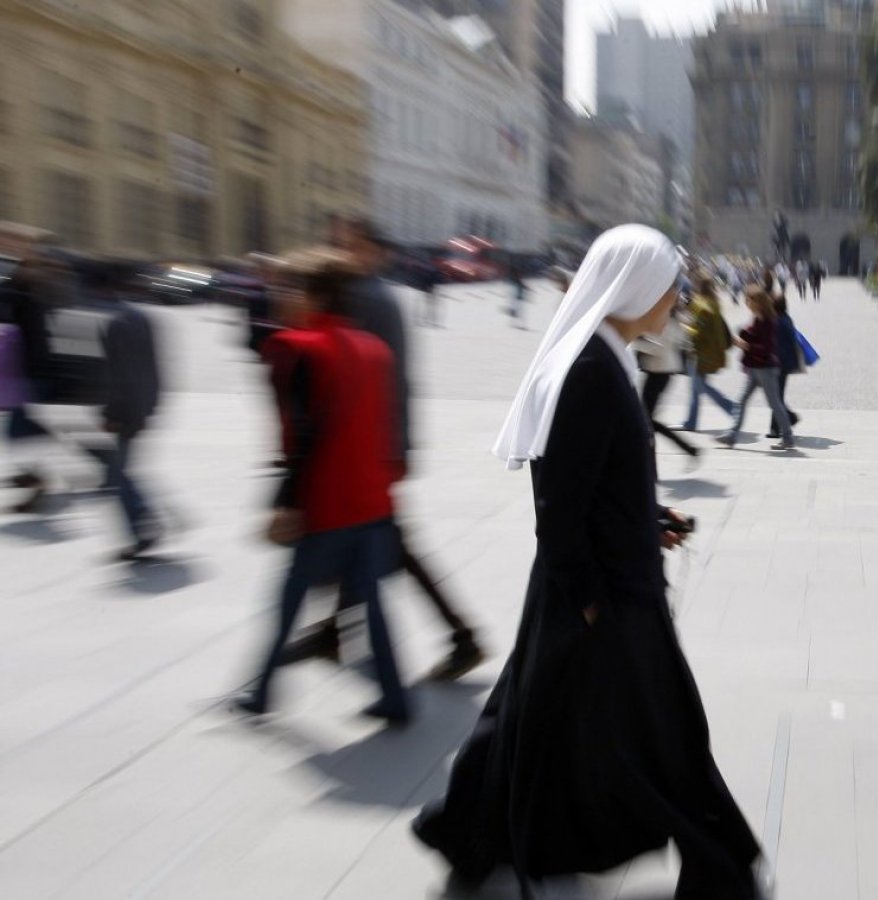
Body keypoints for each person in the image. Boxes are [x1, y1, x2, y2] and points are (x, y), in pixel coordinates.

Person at [412, 225, 766, 899]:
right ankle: (723, 865)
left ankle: (467, 832)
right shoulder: (589, 370)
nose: (677, 302)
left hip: (604, 582)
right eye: (670, 289)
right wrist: (588, 599)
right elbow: (560, 506)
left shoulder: (605, 360)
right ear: (635, 289)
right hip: (606, 594)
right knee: (667, 730)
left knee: (528, 714)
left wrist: (652, 520)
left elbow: (599, 483)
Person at [275, 218, 485, 682]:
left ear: (371, 250)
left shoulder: (367, 299)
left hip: (371, 449)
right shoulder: (369, 295)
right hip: (376, 446)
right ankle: (336, 631)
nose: (340, 250)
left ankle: (462, 636)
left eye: (350, 244)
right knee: (378, 545)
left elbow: (374, 381)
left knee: (390, 547)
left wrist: (389, 448)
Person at [231, 248, 410, 725]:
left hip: (326, 506)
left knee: (289, 601)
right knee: (372, 605)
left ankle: (261, 692)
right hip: (372, 501)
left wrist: (284, 504)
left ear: (313, 294)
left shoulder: (293, 348)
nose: (278, 296)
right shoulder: (375, 348)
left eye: (287, 287)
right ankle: (394, 695)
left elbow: (298, 435)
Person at [94, 262, 164, 560]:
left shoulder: (115, 323)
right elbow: (152, 365)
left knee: (118, 474)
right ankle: (147, 521)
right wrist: (151, 403)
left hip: (125, 409)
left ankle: (144, 526)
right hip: (142, 404)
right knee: (120, 471)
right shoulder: (141, 318)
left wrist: (111, 413)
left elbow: (116, 374)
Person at [0, 223, 61, 513]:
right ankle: (36, 480)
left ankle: (38, 484)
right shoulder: (22, 279)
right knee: (23, 430)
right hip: (24, 368)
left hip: (28, 369)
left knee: (19, 431)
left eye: (12, 242)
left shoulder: (26, 280)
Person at [719, 287, 795, 452]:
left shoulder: (769, 321)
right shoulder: (758, 319)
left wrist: (745, 345)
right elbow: (752, 336)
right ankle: (731, 436)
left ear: (758, 302)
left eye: (749, 299)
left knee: (775, 404)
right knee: (741, 400)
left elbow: (767, 348)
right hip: (754, 367)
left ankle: (788, 437)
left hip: (766, 369)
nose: (746, 302)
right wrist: (740, 336)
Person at [637, 298, 700, 460]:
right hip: (663, 371)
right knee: (647, 420)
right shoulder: (675, 319)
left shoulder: (664, 321)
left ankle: (687, 448)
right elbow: (683, 343)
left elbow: (656, 347)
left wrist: (634, 341)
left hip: (659, 371)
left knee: (647, 420)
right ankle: (686, 449)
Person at [680, 274, 739, 432]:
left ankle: (732, 408)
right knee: (695, 389)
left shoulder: (703, 306)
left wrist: (683, 326)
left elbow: (697, 332)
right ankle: (691, 422)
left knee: (699, 386)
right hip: (708, 352)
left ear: (698, 286)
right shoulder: (713, 303)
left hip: (699, 352)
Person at [768, 296, 803, 440]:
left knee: (776, 396)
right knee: (776, 396)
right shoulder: (785, 319)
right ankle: (776, 427)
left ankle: (786, 421)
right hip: (785, 364)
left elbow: (779, 347)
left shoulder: (779, 322)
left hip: (780, 365)